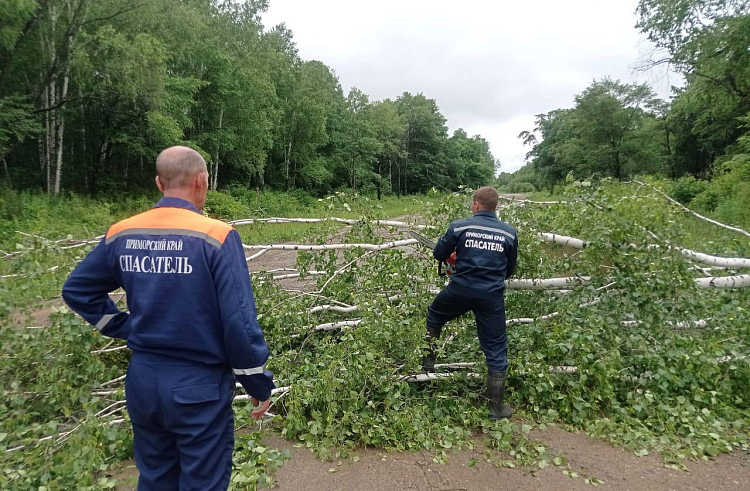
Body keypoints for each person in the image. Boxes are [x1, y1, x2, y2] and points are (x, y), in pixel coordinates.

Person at [62, 146, 274, 490]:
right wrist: (257, 383)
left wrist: (122, 325)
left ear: (160, 183)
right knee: (202, 481)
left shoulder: (122, 233)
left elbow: (77, 290)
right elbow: (239, 323)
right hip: (198, 387)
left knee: (156, 477)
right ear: (202, 181)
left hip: (143, 382)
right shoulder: (216, 236)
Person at [423, 186, 518, 420]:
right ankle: (496, 409)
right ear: (495, 207)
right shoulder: (509, 233)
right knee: (496, 349)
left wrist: (457, 262)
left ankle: (425, 372)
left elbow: (438, 253)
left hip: (460, 290)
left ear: (476, 204)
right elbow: (509, 269)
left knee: (435, 315)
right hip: (491, 296)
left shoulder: (460, 226)